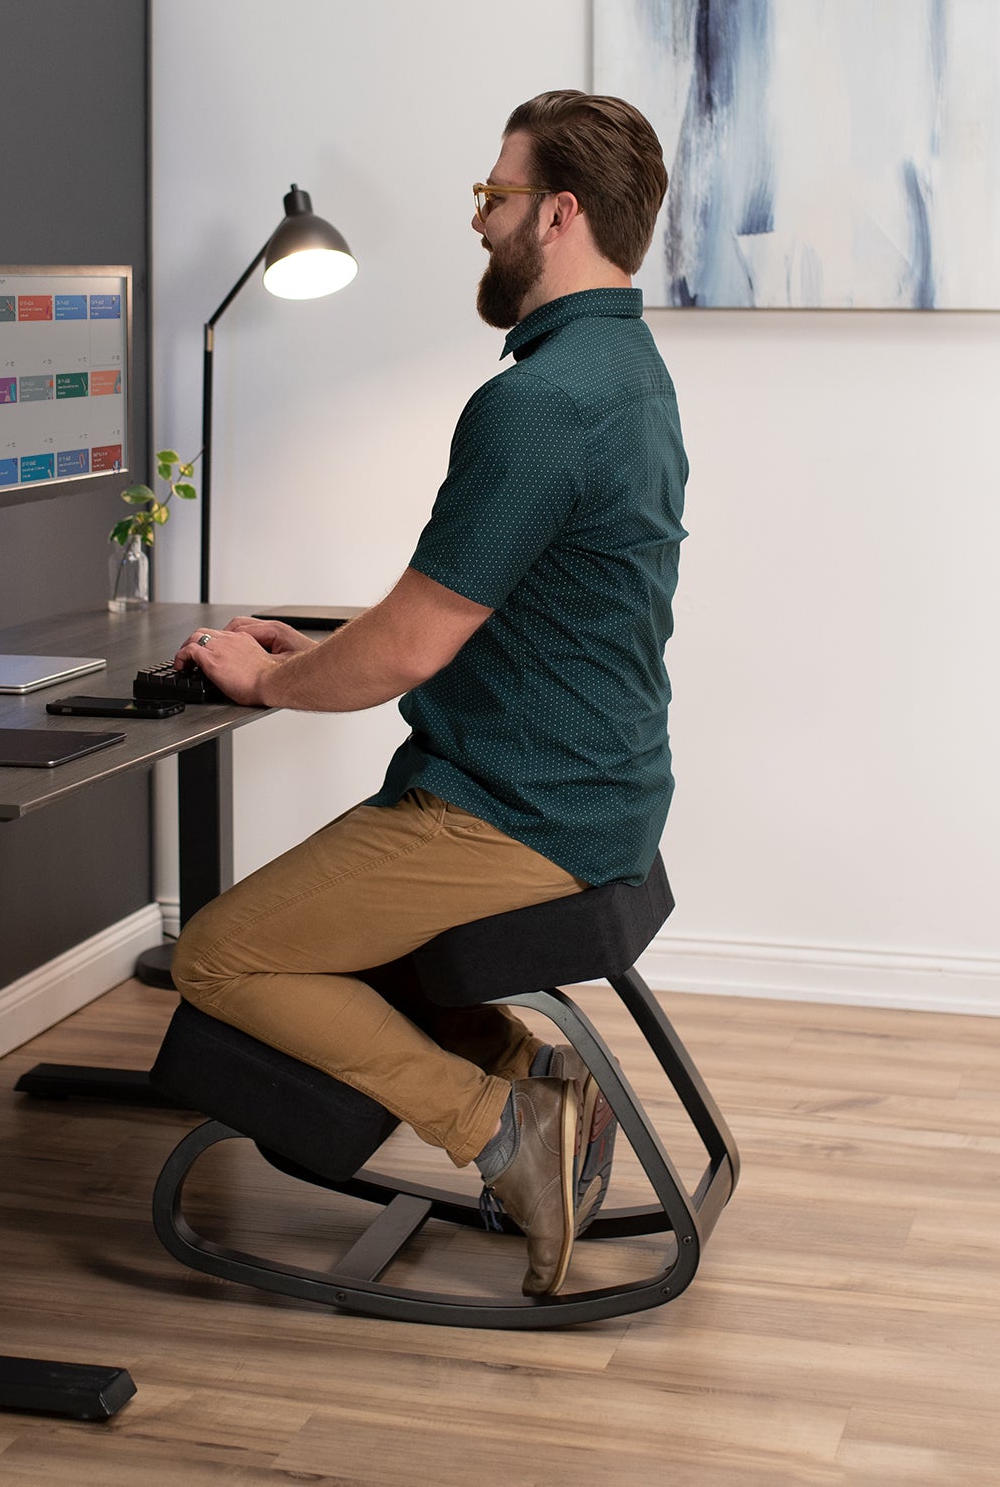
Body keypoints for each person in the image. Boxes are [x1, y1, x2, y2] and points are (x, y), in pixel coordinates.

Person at [170, 89, 687, 1299]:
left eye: (491, 196)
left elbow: (407, 650)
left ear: (556, 212)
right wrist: (304, 634)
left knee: (220, 955)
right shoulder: (625, 370)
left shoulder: (538, 405)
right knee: (323, 946)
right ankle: (540, 1079)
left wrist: (269, 678)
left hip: (509, 808)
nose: (478, 221)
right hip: (592, 785)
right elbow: (476, 602)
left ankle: (503, 1132)